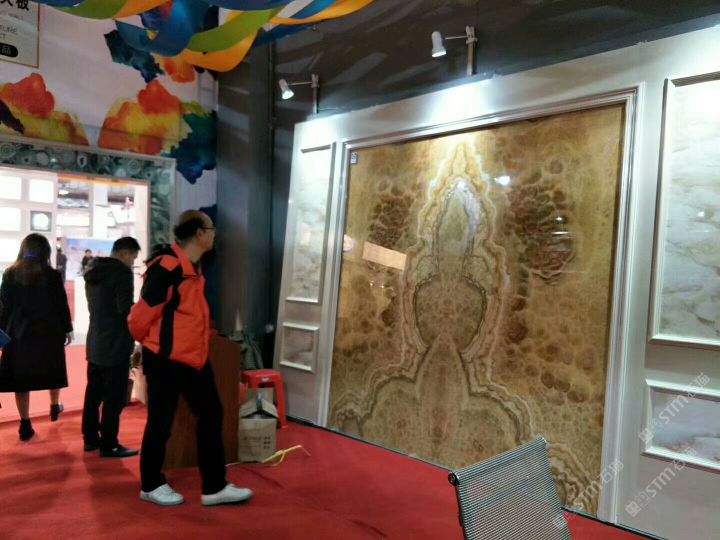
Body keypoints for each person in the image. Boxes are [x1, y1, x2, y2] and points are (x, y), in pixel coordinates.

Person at [129, 211, 252, 507]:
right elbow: (139, 318)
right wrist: (149, 345)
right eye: (211, 229)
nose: (214, 234)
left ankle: (214, 487)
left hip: (194, 359)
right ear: (199, 233)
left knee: (212, 414)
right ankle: (151, 484)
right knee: (161, 422)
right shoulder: (168, 267)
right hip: (165, 359)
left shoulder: (193, 268)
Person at [0, 234, 73, 441]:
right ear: (45, 251)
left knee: (20, 380)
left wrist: (1, 332)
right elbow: (61, 305)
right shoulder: (52, 275)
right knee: (53, 369)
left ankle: (25, 424)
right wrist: (67, 329)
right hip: (48, 332)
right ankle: (54, 405)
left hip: (18, 334)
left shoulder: (10, 274)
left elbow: (4, 307)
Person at [82, 237, 141, 458]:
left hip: (95, 340)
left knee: (93, 393)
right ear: (125, 253)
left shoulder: (93, 270)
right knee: (114, 397)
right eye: (133, 257)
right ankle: (110, 443)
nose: (132, 262)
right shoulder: (122, 273)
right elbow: (124, 309)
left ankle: (90, 439)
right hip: (116, 342)